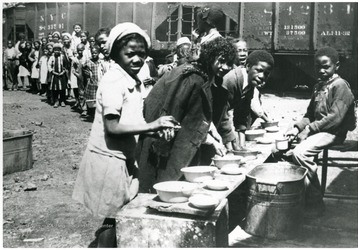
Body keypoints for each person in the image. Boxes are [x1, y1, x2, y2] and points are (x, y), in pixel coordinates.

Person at [72, 22, 178, 248]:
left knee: (118, 214)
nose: (137, 59)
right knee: (115, 216)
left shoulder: (132, 79)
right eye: (130, 54)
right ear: (115, 54)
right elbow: (113, 127)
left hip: (124, 157)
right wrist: (152, 126)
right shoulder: (113, 81)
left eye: (141, 54)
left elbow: (134, 119)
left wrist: (157, 129)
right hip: (109, 160)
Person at [136, 37, 237, 193]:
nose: (225, 67)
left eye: (230, 63)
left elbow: (194, 112)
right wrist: (210, 140)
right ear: (211, 56)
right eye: (221, 60)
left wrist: (211, 129)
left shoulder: (200, 73)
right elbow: (183, 121)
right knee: (161, 183)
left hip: (162, 131)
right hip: (161, 136)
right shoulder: (194, 77)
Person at [285, 47, 356, 217]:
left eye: (326, 66)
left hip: (333, 133)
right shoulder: (318, 86)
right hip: (318, 131)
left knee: (300, 153)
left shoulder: (340, 86)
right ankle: (299, 198)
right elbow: (310, 114)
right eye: (318, 67)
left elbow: (335, 118)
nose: (321, 70)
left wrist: (309, 129)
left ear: (336, 66)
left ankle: (315, 201)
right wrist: (297, 127)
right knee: (284, 150)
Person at [222, 50, 274, 150]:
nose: (262, 76)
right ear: (248, 67)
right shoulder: (231, 80)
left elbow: (242, 115)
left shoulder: (250, 85)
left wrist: (242, 146)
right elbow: (221, 114)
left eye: (266, 74)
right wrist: (230, 140)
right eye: (258, 70)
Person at [82, 45, 104, 119]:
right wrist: (87, 73)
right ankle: (91, 112)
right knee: (91, 98)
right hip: (92, 82)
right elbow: (84, 67)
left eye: (95, 53)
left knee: (100, 98)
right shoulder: (89, 61)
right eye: (92, 53)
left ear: (98, 53)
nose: (94, 54)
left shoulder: (101, 61)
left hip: (99, 81)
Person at [48, 43, 69, 108]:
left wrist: (63, 72)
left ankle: (62, 100)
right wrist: (53, 72)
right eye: (55, 50)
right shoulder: (52, 57)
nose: (56, 51)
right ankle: (56, 100)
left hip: (62, 74)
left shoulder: (62, 56)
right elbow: (49, 65)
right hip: (55, 75)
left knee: (62, 88)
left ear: (60, 50)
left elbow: (66, 65)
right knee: (55, 88)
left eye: (58, 50)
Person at [70, 43, 87, 111]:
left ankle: (88, 107)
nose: (80, 52)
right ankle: (83, 108)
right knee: (81, 93)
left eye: (81, 50)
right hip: (79, 78)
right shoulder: (75, 59)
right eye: (78, 50)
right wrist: (78, 75)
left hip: (86, 77)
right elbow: (73, 69)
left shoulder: (86, 58)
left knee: (87, 92)